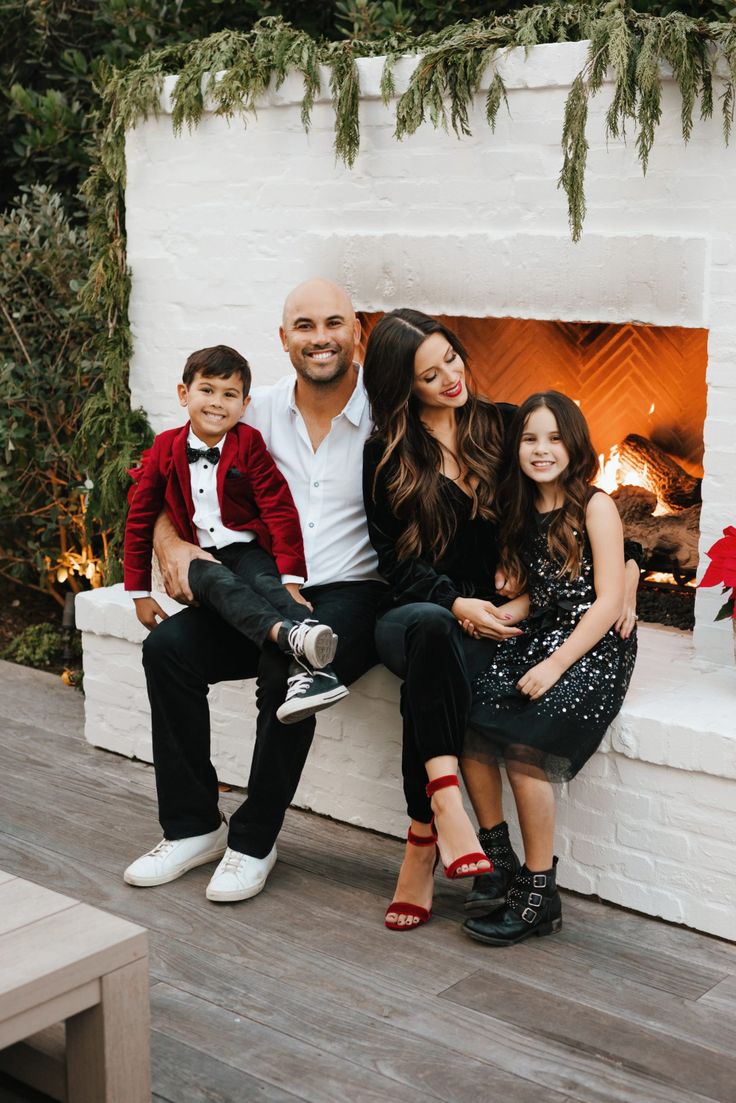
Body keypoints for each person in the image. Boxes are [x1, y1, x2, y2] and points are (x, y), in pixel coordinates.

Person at [362, 310, 641, 934]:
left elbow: (576, 505)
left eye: (452, 359)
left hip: (502, 615)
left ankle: (489, 860)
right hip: (417, 608)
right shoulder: (386, 453)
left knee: (463, 703)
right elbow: (394, 563)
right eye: (428, 374)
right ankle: (438, 833)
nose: (449, 379)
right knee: (435, 635)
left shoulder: (506, 426)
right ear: (403, 385)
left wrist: (628, 575)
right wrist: (457, 604)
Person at [123, 279, 387, 903]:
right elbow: (157, 477)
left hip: (352, 592)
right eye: (304, 326)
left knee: (283, 666)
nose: (319, 338)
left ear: (357, 332)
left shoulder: (387, 416)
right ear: (284, 338)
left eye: (332, 324)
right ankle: (192, 828)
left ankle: (253, 840)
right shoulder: (249, 407)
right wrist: (172, 544)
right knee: (169, 651)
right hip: (259, 586)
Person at [461, 391, 637, 945]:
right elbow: (540, 595)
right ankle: (499, 862)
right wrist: (500, 613)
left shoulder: (595, 505)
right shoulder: (519, 509)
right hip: (543, 633)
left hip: (592, 646)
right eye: (531, 439)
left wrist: (556, 665)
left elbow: (606, 601)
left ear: (575, 444)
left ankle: (540, 893)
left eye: (554, 438)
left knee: (523, 747)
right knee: (470, 721)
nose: (542, 450)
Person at [124, 343, 348, 725]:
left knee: (267, 583)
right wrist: (139, 592)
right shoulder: (165, 447)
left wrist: (292, 579)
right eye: (207, 390)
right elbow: (140, 515)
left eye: (230, 395)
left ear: (244, 405)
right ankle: (290, 637)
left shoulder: (249, 443)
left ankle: (315, 665)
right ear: (184, 394)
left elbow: (279, 508)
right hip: (199, 556)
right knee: (216, 582)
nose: (217, 403)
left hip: (244, 549)